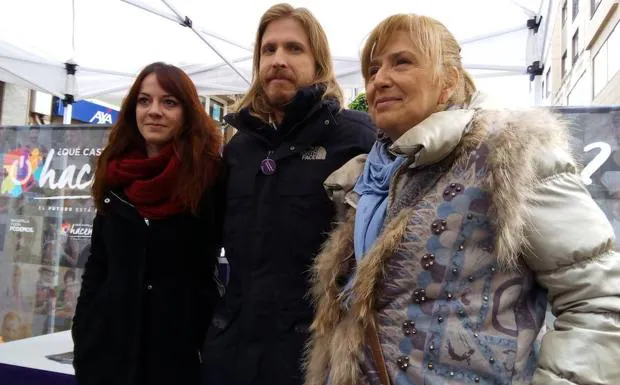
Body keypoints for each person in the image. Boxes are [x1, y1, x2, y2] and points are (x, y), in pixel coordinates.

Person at [305, 14, 620, 385]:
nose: (380, 80)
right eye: (372, 70)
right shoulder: (367, 181)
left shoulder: (509, 153)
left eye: (401, 62)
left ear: (449, 80)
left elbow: (599, 303)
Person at [201, 3, 376, 385]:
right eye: (269, 49)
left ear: (318, 63)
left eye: (294, 49)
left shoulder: (358, 138)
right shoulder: (240, 149)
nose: (278, 59)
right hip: (233, 357)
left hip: (313, 360)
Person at [72, 62, 224, 385]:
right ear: (132, 109)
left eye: (169, 102)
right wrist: (84, 335)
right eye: (145, 100)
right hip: (108, 358)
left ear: (188, 112)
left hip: (178, 360)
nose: (154, 111)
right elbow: (98, 264)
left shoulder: (208, 179)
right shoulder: (114, 175)